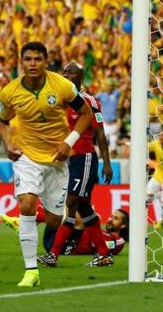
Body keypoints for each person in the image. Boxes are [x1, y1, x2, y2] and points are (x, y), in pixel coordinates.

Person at [0, 42, 95, 287]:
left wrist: (68, 142)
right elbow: (2, 121)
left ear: (46, 61)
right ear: (21, 62)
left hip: (57, 159)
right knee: (27, 203)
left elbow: (86, 115)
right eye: (28, 59)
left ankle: (31, 224)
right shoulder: (9, 92)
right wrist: (8, 143)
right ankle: (31, 271)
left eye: (37, 59)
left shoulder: (62, 86)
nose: (32, 63)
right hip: (26, 156)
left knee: (54, 221)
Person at [37, 62, 114, 268]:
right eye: (64, 71)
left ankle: (54, 254)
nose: (66, 74)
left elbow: (100, 133)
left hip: (84, 157)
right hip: (66, 160)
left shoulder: (90, 102)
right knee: (81, 206)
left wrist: (107, 163)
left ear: (81, 76)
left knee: (71, 203)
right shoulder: (58, 100)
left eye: (71, 72)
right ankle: (103, 253)